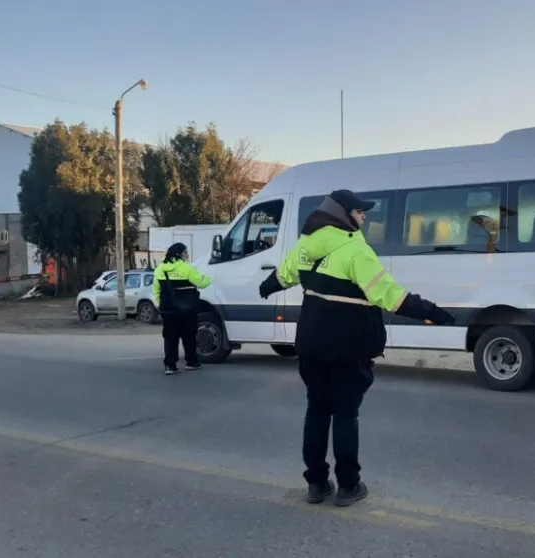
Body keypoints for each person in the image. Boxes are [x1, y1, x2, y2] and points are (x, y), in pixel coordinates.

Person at [259, 189, 455, 507]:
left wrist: (266, 286)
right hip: (348, 348)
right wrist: (433, 312)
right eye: (360, 211)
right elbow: (391, 296)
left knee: (317, 412)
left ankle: (316, 484)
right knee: (345, 416)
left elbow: (284, 274)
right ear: (343, 214)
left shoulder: (306, 245)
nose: (364, 216)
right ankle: (349, 486)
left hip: (311, 346)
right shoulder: (356, 251)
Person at [153, 242, 212, 375]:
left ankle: (170, 365)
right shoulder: (186, 268)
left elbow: (156, 288)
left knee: (170, 337)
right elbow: (201, 283)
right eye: (185, 252)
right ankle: (191, 362)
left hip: (167, 309)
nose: (187, 255)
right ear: (179, 254)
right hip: (186, 309)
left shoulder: (160, 269)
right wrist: (209, 279)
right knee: (189, 335)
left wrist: (160, 303)